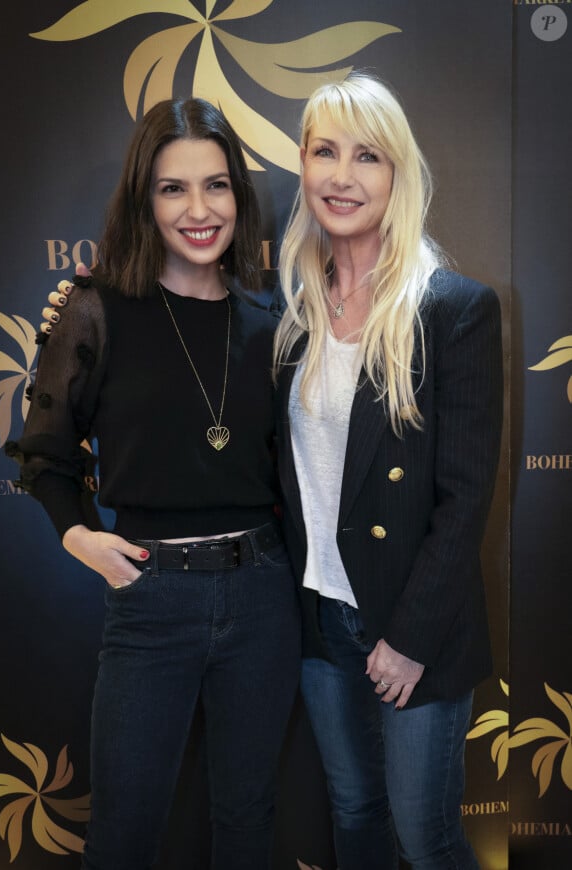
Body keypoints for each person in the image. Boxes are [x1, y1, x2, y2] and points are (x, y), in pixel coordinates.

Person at [8, 97, 301, 870]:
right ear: (144, 198)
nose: (199, 210)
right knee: (125, 833)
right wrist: (77, 534)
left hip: (264, 595)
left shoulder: (267, 323)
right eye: (174, 188)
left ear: (239, 194)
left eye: (217, 186)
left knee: (247, 820)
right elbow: (46, 451)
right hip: (150, 600)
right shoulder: (93, 310)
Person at [272, 73, 503, 869]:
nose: (343, 176)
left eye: (367, 156)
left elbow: (466, 496)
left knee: (426, 837)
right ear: (301, 165)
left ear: (397, 174)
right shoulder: (290, 310)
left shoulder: (451, 309)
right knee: (354, 812)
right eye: (325, 152)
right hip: (318, 619)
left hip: (414, 625)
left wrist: (407, 639)